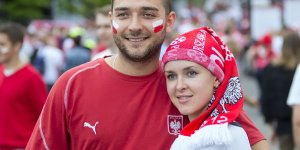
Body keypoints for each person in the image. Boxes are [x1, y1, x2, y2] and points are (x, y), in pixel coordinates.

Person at [26, 0, 269, 149]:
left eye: (148, 14)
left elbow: (254, 143)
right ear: (112, 19)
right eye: (123, 14)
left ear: (169, 20)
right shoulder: (71, 85)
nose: (134, 26)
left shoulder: (191, 88)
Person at [162, 26, 251, 149]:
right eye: (171, 76)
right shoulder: (203, 133)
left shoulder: (224, 137)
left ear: (216, 78)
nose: (179, 86)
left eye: (191, 73)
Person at [0, 22, 47, 149]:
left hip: (21, 146)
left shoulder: (31, 77)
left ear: (17, 46)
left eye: (3, 44)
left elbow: (44, 117)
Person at [260, 32, 300, 150]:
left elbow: (266, 99)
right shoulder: (297, 69)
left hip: (282, 123)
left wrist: (272, 125)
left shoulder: (271, 70)